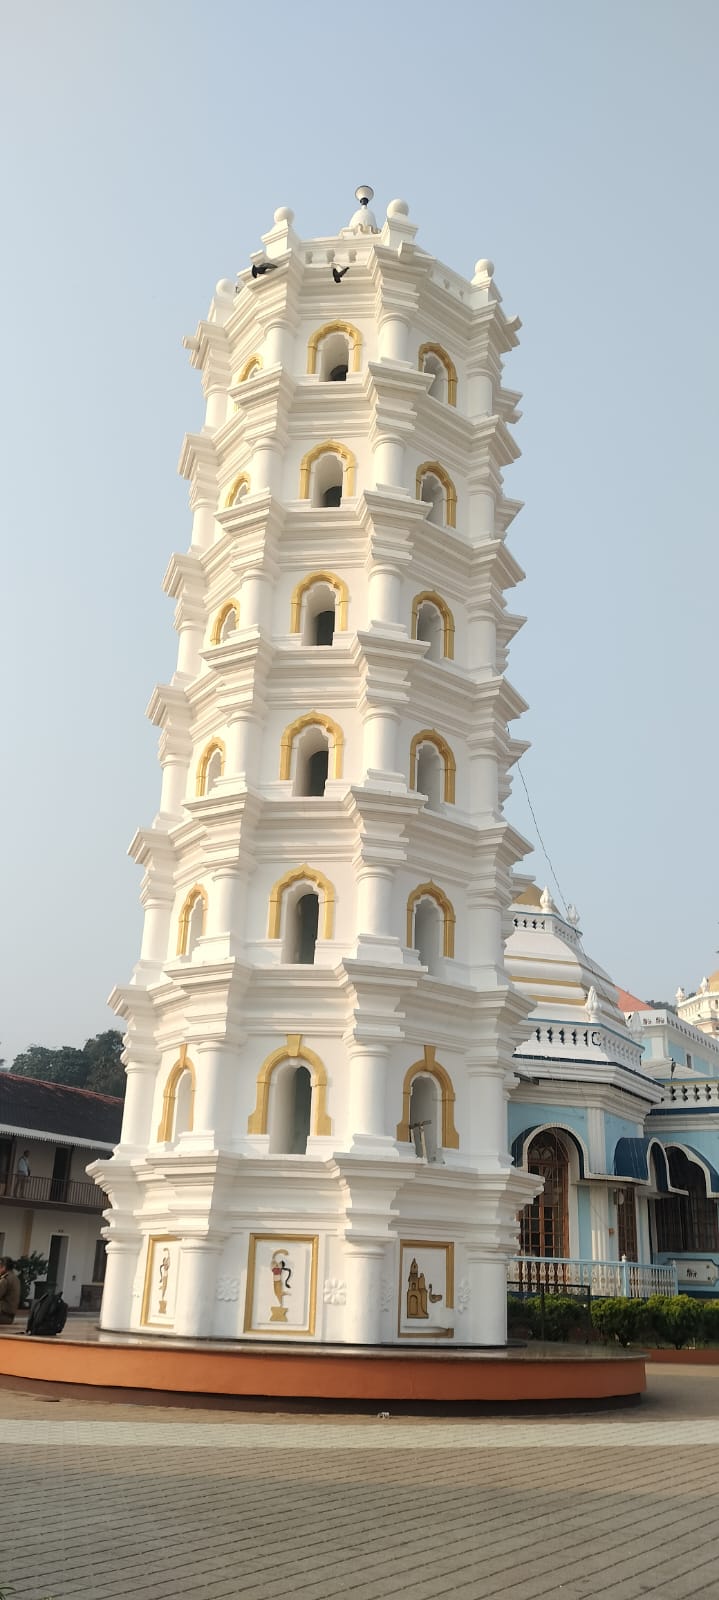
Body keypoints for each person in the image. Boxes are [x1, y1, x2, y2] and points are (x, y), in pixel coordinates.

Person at [0, 1258, 21, 1326]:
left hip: (2, 1315)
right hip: (9, 1316)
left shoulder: (5, 1279)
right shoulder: (15, 1278)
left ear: (4, 1267)